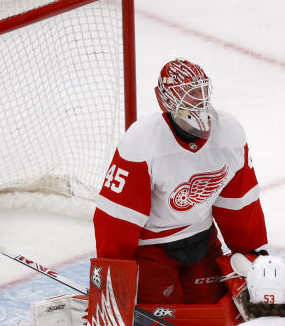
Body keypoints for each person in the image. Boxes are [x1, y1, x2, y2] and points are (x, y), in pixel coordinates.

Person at [93, 58, 268, 305]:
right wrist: (112, 283)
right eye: (188, 94)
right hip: (151, 251)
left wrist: (253, 256)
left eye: (200, 91)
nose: (198, 100)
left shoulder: (229, 133)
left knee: (220, 313)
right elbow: (116, 220)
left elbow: (239, 205)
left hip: (203, 244)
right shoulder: (142, 141)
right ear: (166, 99)